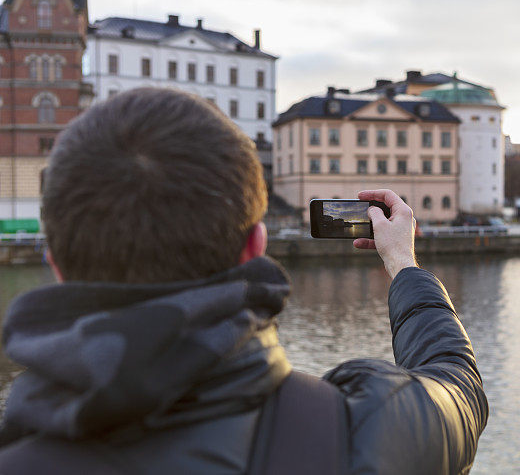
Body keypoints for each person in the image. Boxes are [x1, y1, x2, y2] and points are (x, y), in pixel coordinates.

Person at [0, 88, 488, 474]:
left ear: (56, 264)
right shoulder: (363, 433)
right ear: (256, 246)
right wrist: (403, 261)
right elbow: (458, 385)